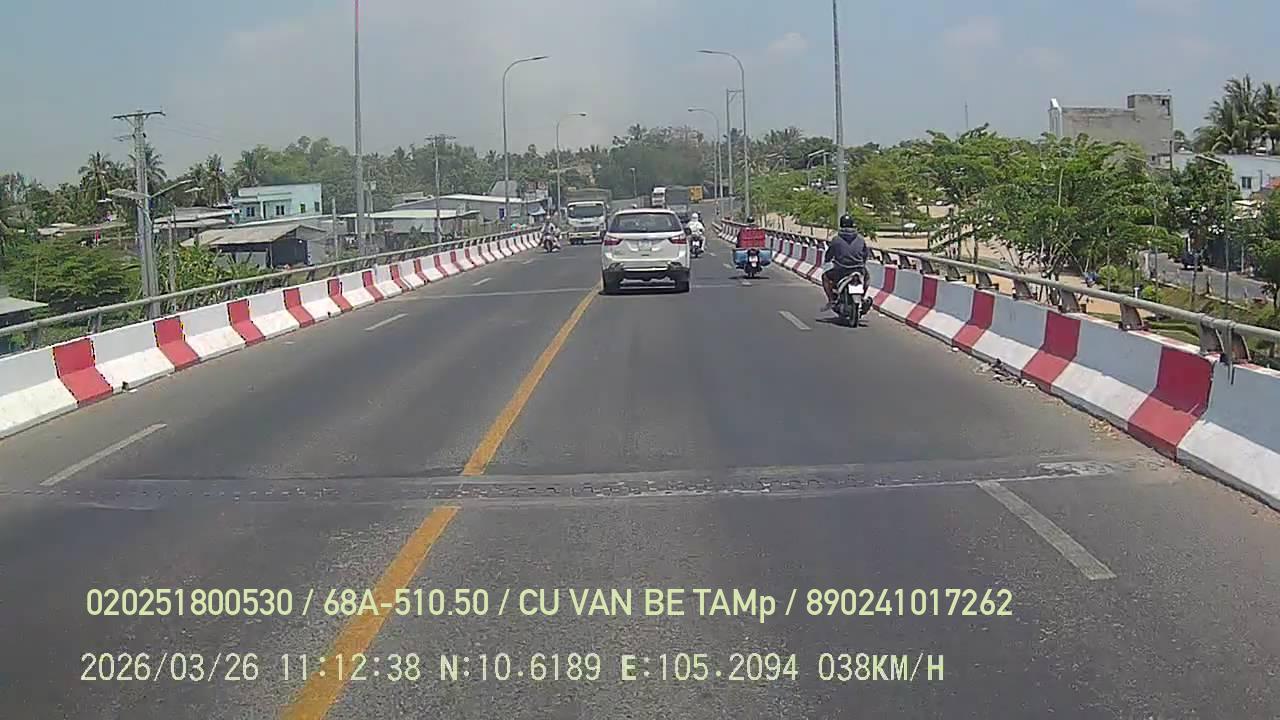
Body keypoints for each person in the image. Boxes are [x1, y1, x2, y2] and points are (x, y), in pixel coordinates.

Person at [821, 214, 872, 312]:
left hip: (841, 271)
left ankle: (831, 300)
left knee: (825, 277)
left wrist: (827, 260)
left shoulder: (836, 240)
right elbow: (865, 254)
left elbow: (829, 255)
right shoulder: (861, 239)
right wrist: (862, 263)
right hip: (859, 269)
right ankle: (862, 297)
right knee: (867, 278)